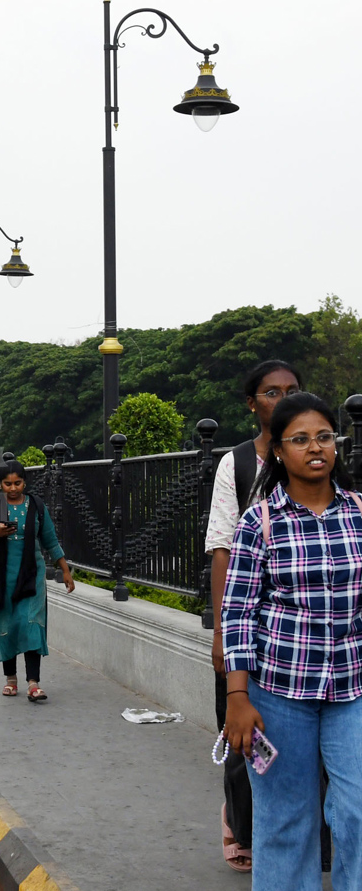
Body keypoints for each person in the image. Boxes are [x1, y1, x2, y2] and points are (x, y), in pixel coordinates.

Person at [222, 392, 362, 889]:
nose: (315, 448)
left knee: (357, 812)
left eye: (324, 436)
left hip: (352, 690)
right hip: (277, 695)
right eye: (300, 439)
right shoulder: (258, 523)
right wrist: (237, 696)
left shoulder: (359, 514)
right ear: (279, 451)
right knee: (284, 820)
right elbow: (236, 612)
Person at [204, 359, 302, 873]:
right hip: (249, 622)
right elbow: (221, 550)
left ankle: (288, 835)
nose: (281, 399)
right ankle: (240, 823)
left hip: (304, 632)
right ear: (252, 404)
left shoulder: (317, 456)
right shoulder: (237, 464)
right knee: (244, 734)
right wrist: (223, 632)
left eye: (290, 390)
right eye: (270, 392)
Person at [0, 461, 74, 701]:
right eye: (7, 484)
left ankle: (33, 683)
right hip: (0, 576)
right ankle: (10, 679)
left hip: (32, 574)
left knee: (30, 624)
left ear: (25, 482)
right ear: (0, 484)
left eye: (17, 483)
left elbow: (50, 539)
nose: (13, 488)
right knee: (6, 624)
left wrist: (65, 570)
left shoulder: (36, 506)